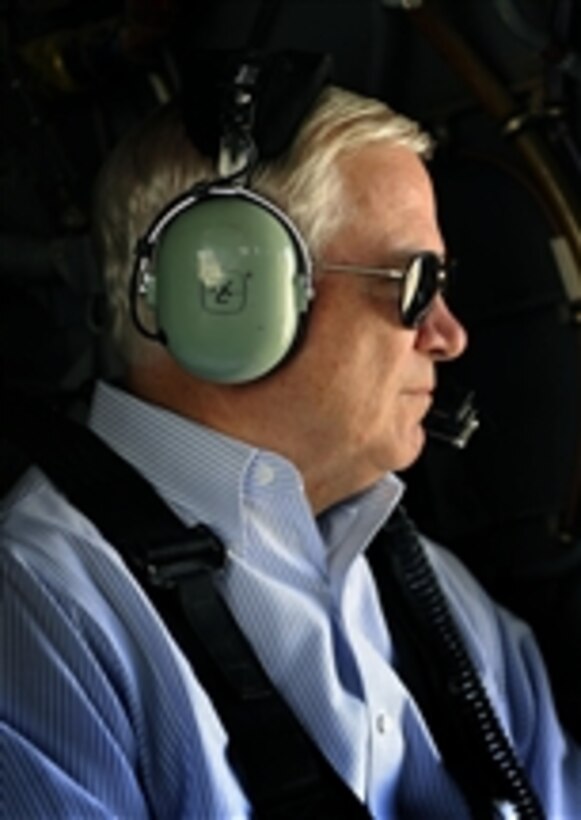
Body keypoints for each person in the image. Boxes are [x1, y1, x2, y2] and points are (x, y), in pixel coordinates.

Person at [2, 82, 580, 819]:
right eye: (414, 284)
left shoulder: (436, 595)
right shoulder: (38, 620)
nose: (447, 335)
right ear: (230, 291)